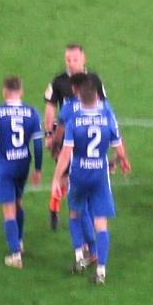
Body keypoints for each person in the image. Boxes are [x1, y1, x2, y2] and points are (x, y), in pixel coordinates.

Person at [51, 79, 131, 285]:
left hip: (78, 174)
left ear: (80, 97)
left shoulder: (74, 120)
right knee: (101, 222)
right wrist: (118, 162)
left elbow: (66, 154)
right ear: (96, 97)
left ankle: (79, 257)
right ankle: (101, 271)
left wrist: (57, 178)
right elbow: (120, 151)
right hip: (99, 174)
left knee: (75, 213)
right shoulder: (106, 118)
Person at [43, 43, 106, 230]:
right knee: (63, 175)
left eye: (75, 59)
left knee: (80, 179)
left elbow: (104, 108)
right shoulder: (59, 81)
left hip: (88, 137)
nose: (71, 63)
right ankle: (54, 208)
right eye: (68, 60)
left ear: (84, 58)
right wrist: (49, 134)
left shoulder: (95, 80)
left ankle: (80, 218)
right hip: (66, 137)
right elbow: (49, 109)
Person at [0, 76, 43, 268]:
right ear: (21, 91)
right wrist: (38, 169)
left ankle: (15, 255)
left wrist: (0, 148)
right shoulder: (32, 112)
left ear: (4, 92)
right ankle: (20, 241)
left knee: (8, 209)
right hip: (23, 163)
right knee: (18, 202)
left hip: (5, 164)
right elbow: (38, 144)